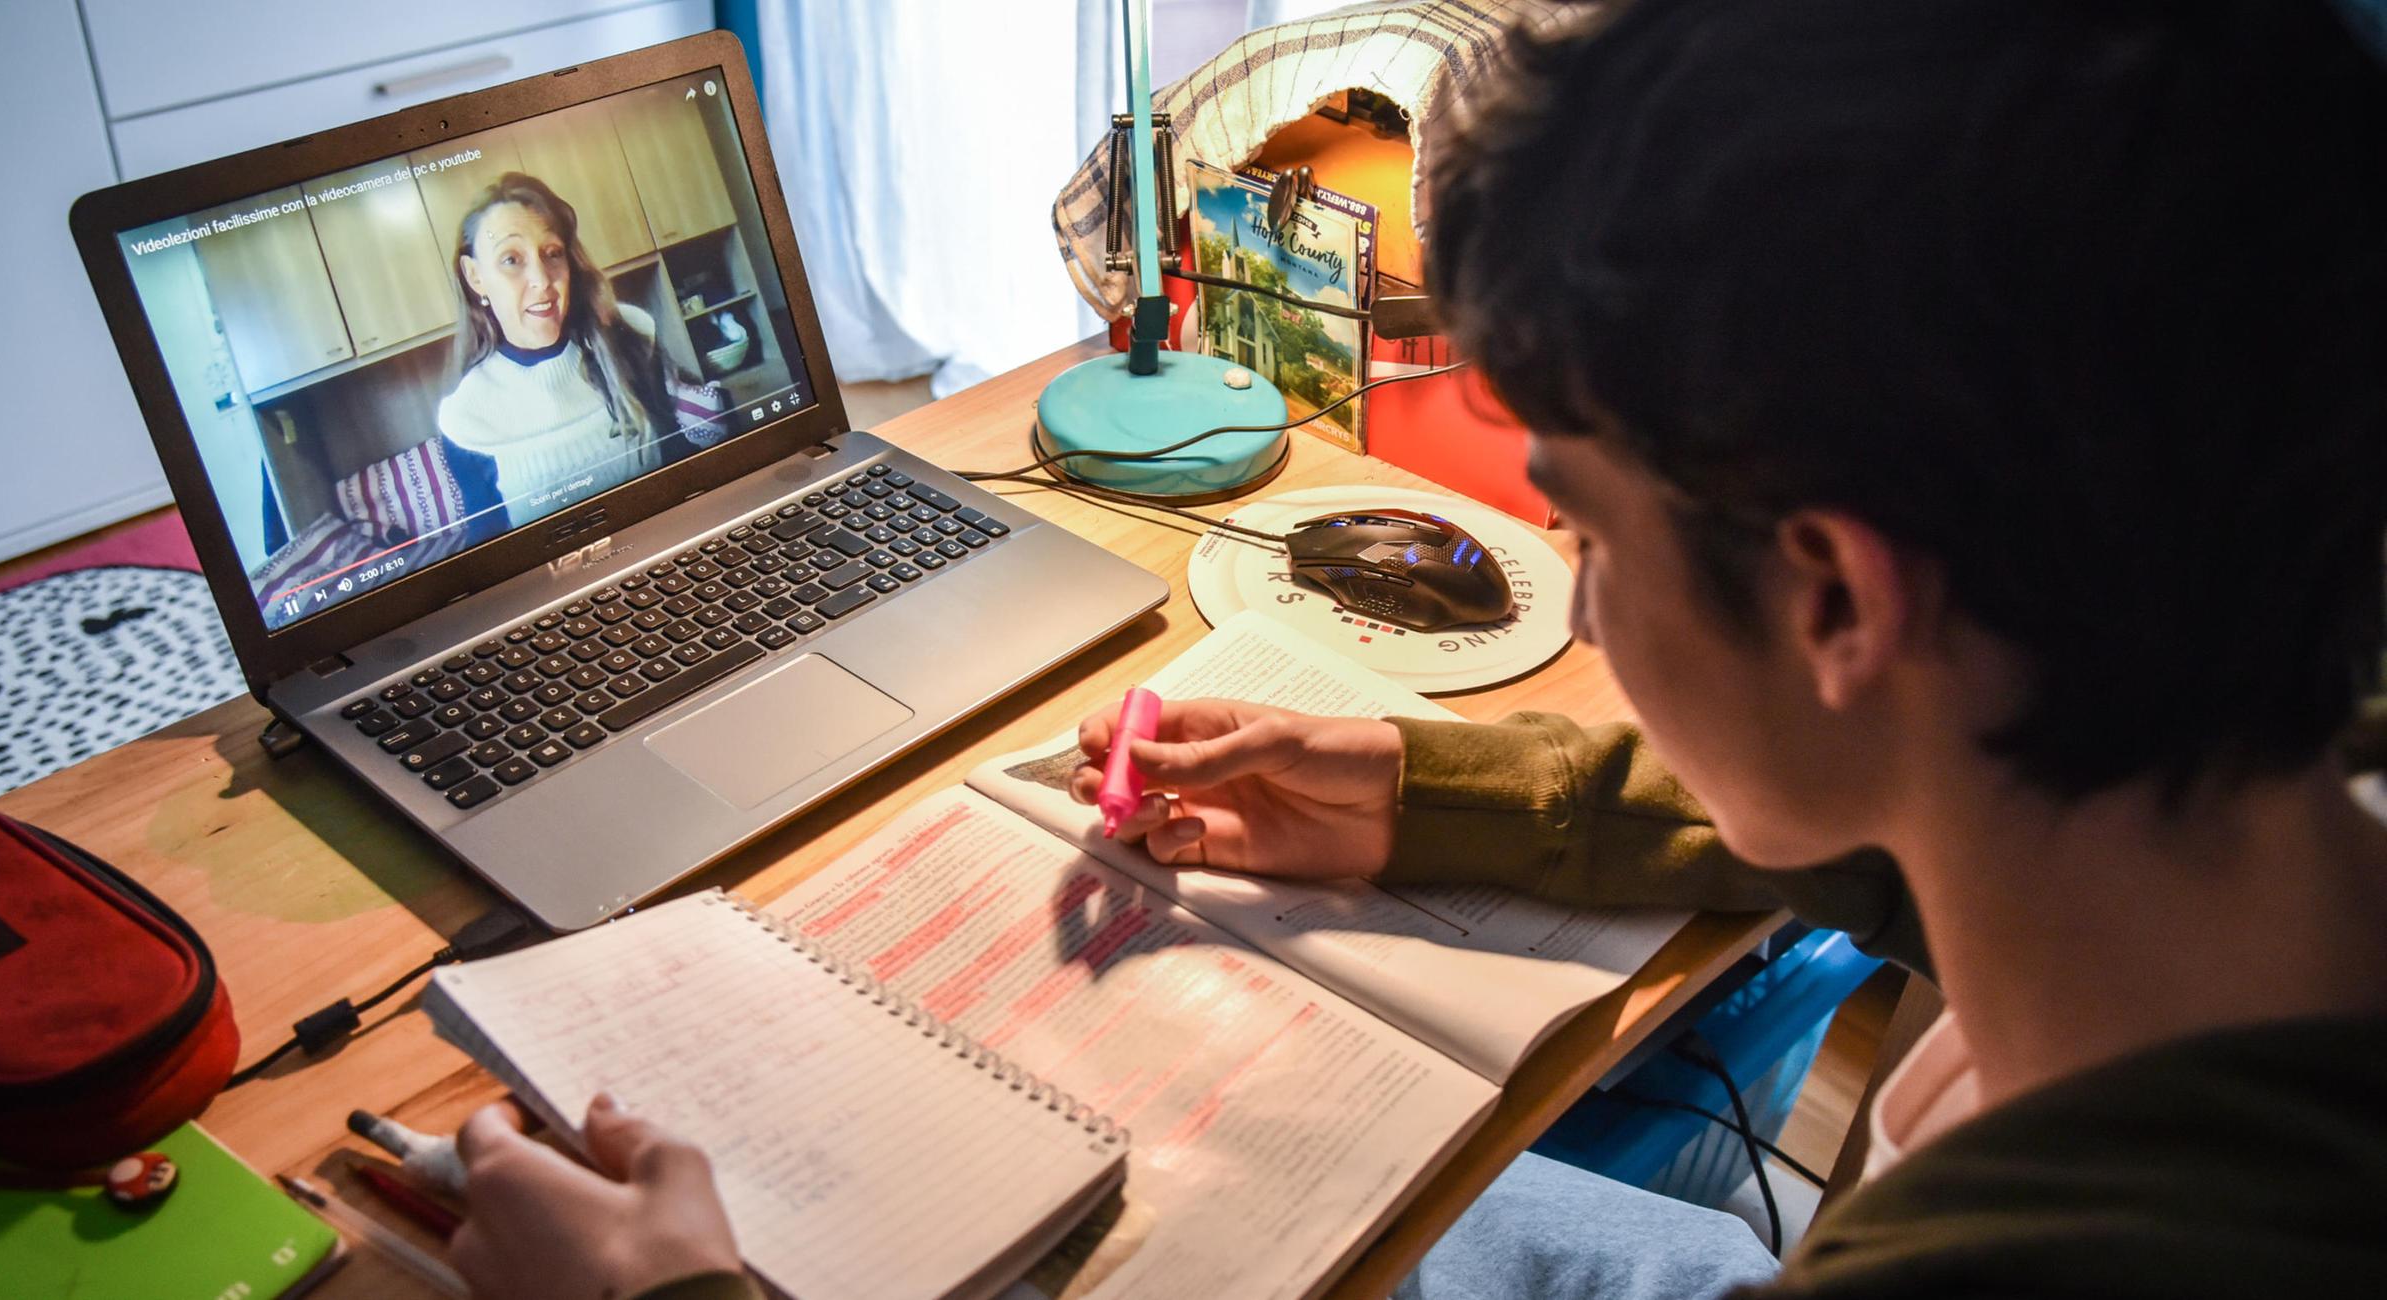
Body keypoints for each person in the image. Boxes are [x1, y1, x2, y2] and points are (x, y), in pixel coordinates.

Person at [438, 2, 2387, 1297]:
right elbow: (1935, 803)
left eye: (1580, 518)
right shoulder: (2270, 757)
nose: (1567, 573)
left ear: (1833, 604)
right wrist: (1424, 782)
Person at [436, 172, 718, 529]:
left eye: (552, 253)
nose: (542, 280)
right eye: (511, 259)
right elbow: (491, 553)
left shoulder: (630, 341)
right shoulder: (468, 417)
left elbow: (677, 466)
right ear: (475, 276)